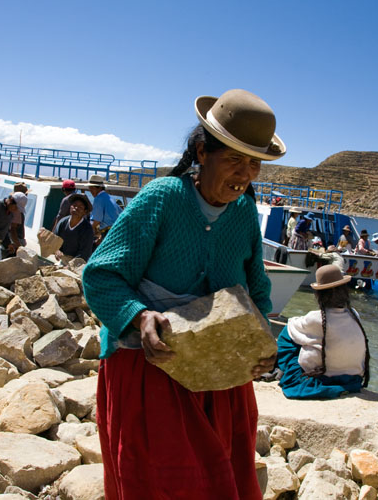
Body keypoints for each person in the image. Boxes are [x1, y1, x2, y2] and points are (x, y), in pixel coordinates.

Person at [83, 88, 282, 499]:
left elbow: (258, 290)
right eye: (233, 159)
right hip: (151, 370)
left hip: (221, 379)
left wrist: (264, 339)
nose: (244, 174)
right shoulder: (163, 198)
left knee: (221, 482)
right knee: (160, 484)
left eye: (254, 163)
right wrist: (139, 316)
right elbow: (100, 276)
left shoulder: (244, 212)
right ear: (201, 151)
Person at [276, 265, 370, 399]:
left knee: (287, 335)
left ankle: (283, 368)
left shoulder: (316, 318)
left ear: (319, 294)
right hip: (353, 377)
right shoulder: (354, 314)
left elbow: (291, 327)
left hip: (324, 377)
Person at [54, 193, 94, 261]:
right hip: (62, 259)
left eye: (80, 207)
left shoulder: (88, 229)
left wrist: (71, 265)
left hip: (78, 263)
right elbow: (55, 240)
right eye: (74, 205)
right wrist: (57, 250)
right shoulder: (63, 222)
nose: (76, 208)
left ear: (85, 212)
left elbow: (84, 253)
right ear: (70, 207)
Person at [87, 174, 121, 242]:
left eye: (92, 188)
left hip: (108, 232)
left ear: (99, 188)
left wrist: (87, 230)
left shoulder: (98, 199)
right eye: (90, 188)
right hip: (117, 231)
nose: (91, 191)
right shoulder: (108, 197)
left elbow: (97, 220)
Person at [8, 182, 29, 254]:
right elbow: (13, 229)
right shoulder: (16, 211)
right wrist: (19, 246)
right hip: (15, 243)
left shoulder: (13, 209)